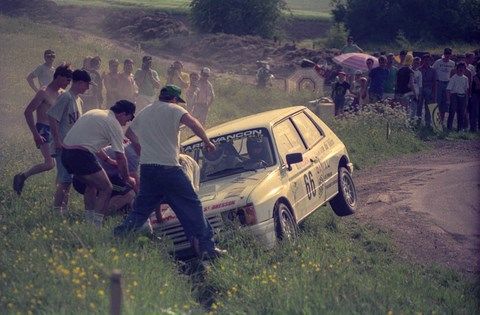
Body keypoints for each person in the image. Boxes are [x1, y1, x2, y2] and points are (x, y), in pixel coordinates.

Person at [113, 85, 225, 259]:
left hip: (148, 169)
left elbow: (129, 132)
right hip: (169, 168)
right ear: (174, 99)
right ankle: (207, 248)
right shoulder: (175, 109)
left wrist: (139, 148)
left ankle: (116, 238)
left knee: (141, 211)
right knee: (193, 206)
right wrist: (207, 141)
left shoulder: (146, 111)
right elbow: (193, 123)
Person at [61, 100, 136, 226]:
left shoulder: (95, 112)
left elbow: (90, 141)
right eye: (129, 118)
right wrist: (127, 177)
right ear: (123, 114)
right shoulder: (114, 124)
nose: (127, 123)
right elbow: (121, 157)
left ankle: (89, 221)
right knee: (107, 188)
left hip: (66, 154)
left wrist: (107, 160)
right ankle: (96, 225)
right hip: (81, 155)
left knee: (92, 186)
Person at [13, 65, 73, 195]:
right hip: (43, 129)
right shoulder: (43, 92)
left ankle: (59, 193)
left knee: (61, 164)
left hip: (56, 130)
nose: (68, 83)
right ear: (58, 77)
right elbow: (28, 112)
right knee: (49, 164)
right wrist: (35, 134)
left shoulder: (63, 94)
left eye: (70, 81)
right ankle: (22, 176)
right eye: (67, 80)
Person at [47, 69, 91, 214]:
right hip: (63, 145)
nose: (88, 88)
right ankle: (56, 210)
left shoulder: (78, 99)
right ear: (78, 82)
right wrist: (57, 141)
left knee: (68, 180)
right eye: (86, 84)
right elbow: (52, 117)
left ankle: (64, 209)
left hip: (72, 146)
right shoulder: (66, 97)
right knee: (64, 179)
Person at [72, 142, 139, 216]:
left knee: (124, 191)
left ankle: (92, 215)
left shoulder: (128, 148)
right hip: (85, 180)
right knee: (129, 193)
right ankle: (99, 216)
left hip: (83, 176)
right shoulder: (132, 154)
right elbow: (135, 184)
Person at [432, 48, 456, 126]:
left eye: (449, 54)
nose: (447, 55)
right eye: (446, 53)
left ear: (451, 54)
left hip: (448, 84)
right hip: (439, 83)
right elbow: (433, 71)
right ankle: (435, 123)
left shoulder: (452, 63)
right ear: (444, 54)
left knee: (444, 104)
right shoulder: (438, 62)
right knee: (437, 102)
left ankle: (440, 123)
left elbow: (453, 74)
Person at [446, 62, 469, 131]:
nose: (461, 69)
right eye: (459, 68)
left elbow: (466, 90)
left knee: (461, 113)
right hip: (454, 96)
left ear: (464, 69)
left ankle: (460, 129)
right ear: (457, 68)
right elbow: (448, 90)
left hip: (462, 96)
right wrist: (448, 100)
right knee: (452, 112)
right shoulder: (453, 78)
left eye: (462, 68)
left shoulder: (465, 78)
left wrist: (466, 100)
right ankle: (449, 128)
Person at [418, 53, 437, 127]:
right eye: (425, 60)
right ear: (422, 61)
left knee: (428, 107)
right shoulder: (419, 69)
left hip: (429, 89)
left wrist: (434, 93)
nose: (427, 62)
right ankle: (418, 122)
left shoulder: (433, 70)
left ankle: (427, 124)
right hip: (420, 89)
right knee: (419, 107)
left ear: (431, 61)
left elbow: (434, 82)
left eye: (428, 60)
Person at [469, 63, 480, 132]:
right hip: (475, 95)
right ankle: (473, 128)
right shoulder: (475, 76)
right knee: (475, 112)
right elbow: (478, 86)